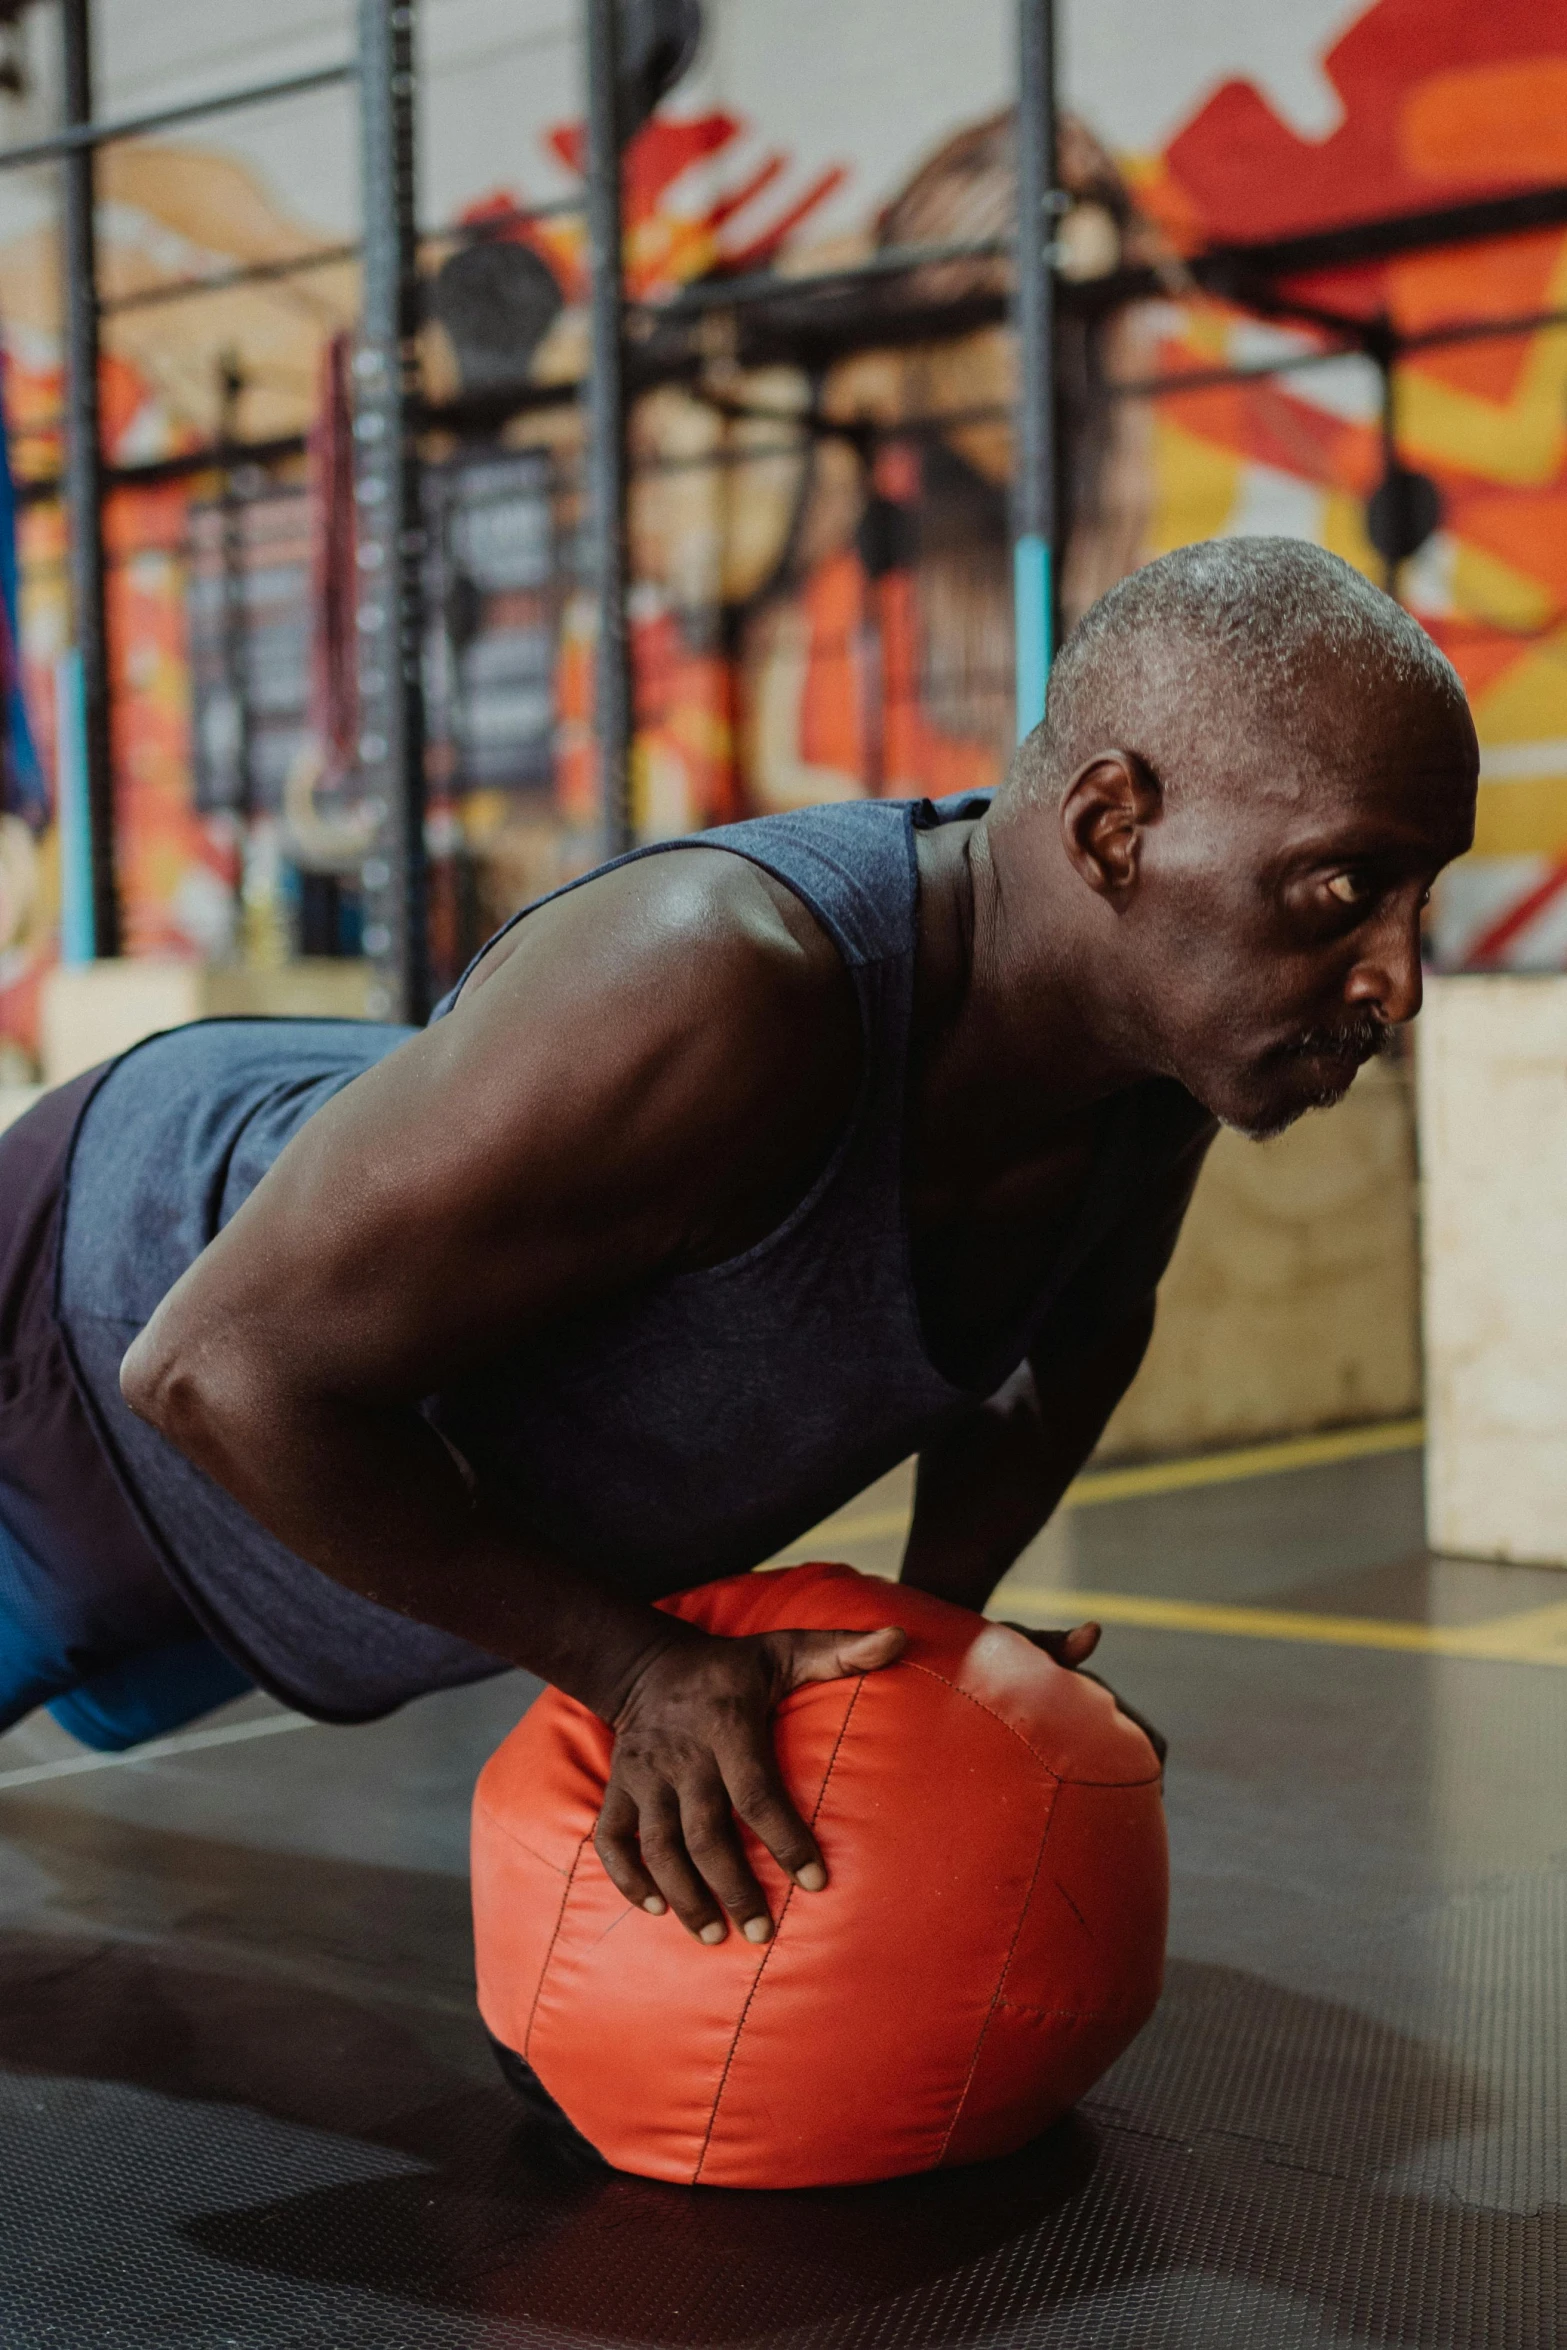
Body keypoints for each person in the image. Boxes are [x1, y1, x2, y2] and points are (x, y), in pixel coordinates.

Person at [0, 538, 1475, 1952]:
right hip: (85, 1353)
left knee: (138, 1708)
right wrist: (632, 1667)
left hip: (320, 1560)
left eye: (1424, 895)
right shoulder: (728, 981)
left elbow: (1078, 1329)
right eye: (1345, 886)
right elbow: (212, 1364)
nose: (1398, 977)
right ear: (1109, 829)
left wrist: (932, 1642)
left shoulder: (1153, 1061)